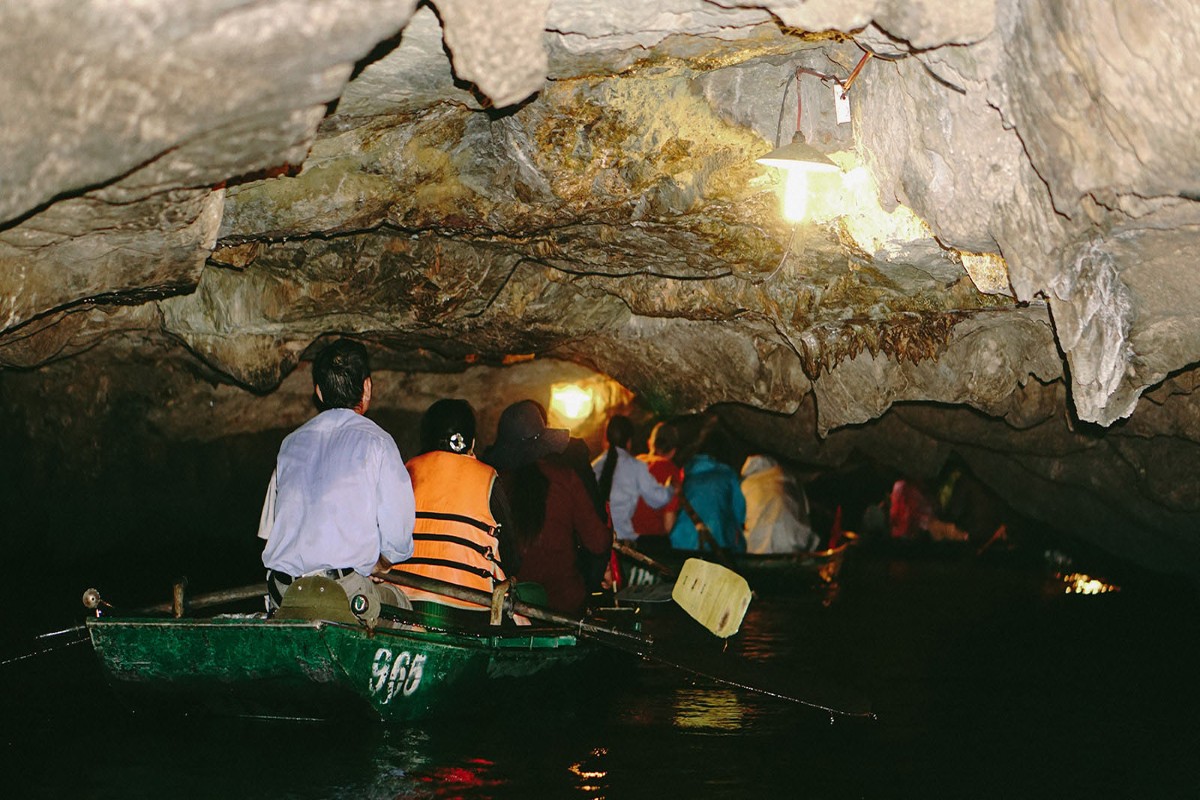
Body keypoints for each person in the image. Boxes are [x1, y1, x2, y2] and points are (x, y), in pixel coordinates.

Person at [258, 338, 415, 626]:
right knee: (402, 603)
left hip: (284, 593)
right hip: (342, 593)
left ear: (318, 392)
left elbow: (269, 535)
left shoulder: (289, 445)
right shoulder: (378, 442)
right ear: (367, 388)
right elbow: (398, 543)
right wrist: (378, 565)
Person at [391, 399, 516, 620]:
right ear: (473, 442)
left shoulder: (409, 469)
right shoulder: (487, 477)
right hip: (469, 605)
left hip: (403, 600)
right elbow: (509, 550)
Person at [485, 400, 611, 615]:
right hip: (563, 606)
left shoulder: (493, 485)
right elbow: (598, 543)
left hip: (511, 606)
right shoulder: (565, 479)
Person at [592, 415, 674, 546]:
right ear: (629, 441)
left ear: (606, 438)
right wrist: (671, 487)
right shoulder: (636, 466)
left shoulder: (593, 466)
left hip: (593, 541)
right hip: (621, 541)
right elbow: (658, 500)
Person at [669, 425, 746, 554]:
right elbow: (740, 513)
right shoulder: (728, 475)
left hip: (682, 540)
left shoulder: (688, 473)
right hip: (717, 541)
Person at [740, 454, 820, 554]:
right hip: (795, 545)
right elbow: (806, 511)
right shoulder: (789, 475)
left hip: (758, 549)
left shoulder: (745, 485)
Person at [629, 421, 683, 556]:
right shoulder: (671, 472)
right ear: (673, 451)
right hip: (652, 546)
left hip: (624, 542)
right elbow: (669, 525)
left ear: (650, 443)